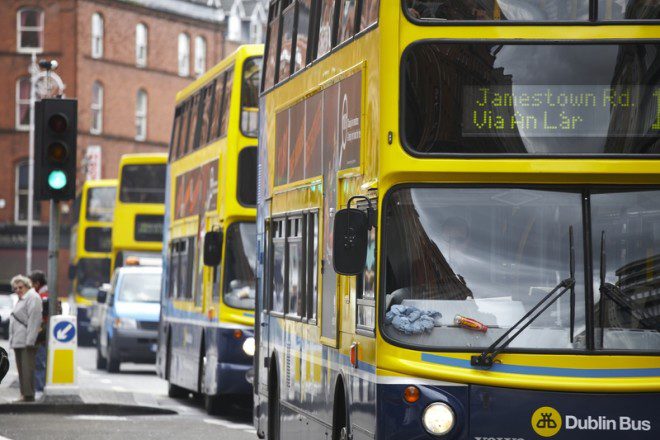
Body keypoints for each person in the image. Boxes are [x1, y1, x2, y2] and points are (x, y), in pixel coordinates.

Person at [8, 275, 42, 402]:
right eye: (15, 288)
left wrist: (30, 340)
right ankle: (24, 394)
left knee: (27, 369)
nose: (17, 290)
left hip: (26, 340)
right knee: (22, 370)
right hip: (19, 340)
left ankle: (28, 395)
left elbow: (34, 320)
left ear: (27, 286)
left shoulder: (32, 297)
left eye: (20, 287)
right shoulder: (22, 299)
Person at [28, 270, 48, 393]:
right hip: (42, 333)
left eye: (31, 284)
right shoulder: (45, 294)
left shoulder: (42, 296)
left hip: (41, 334)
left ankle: (39, 387)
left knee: (39, 361)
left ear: (37, 283)